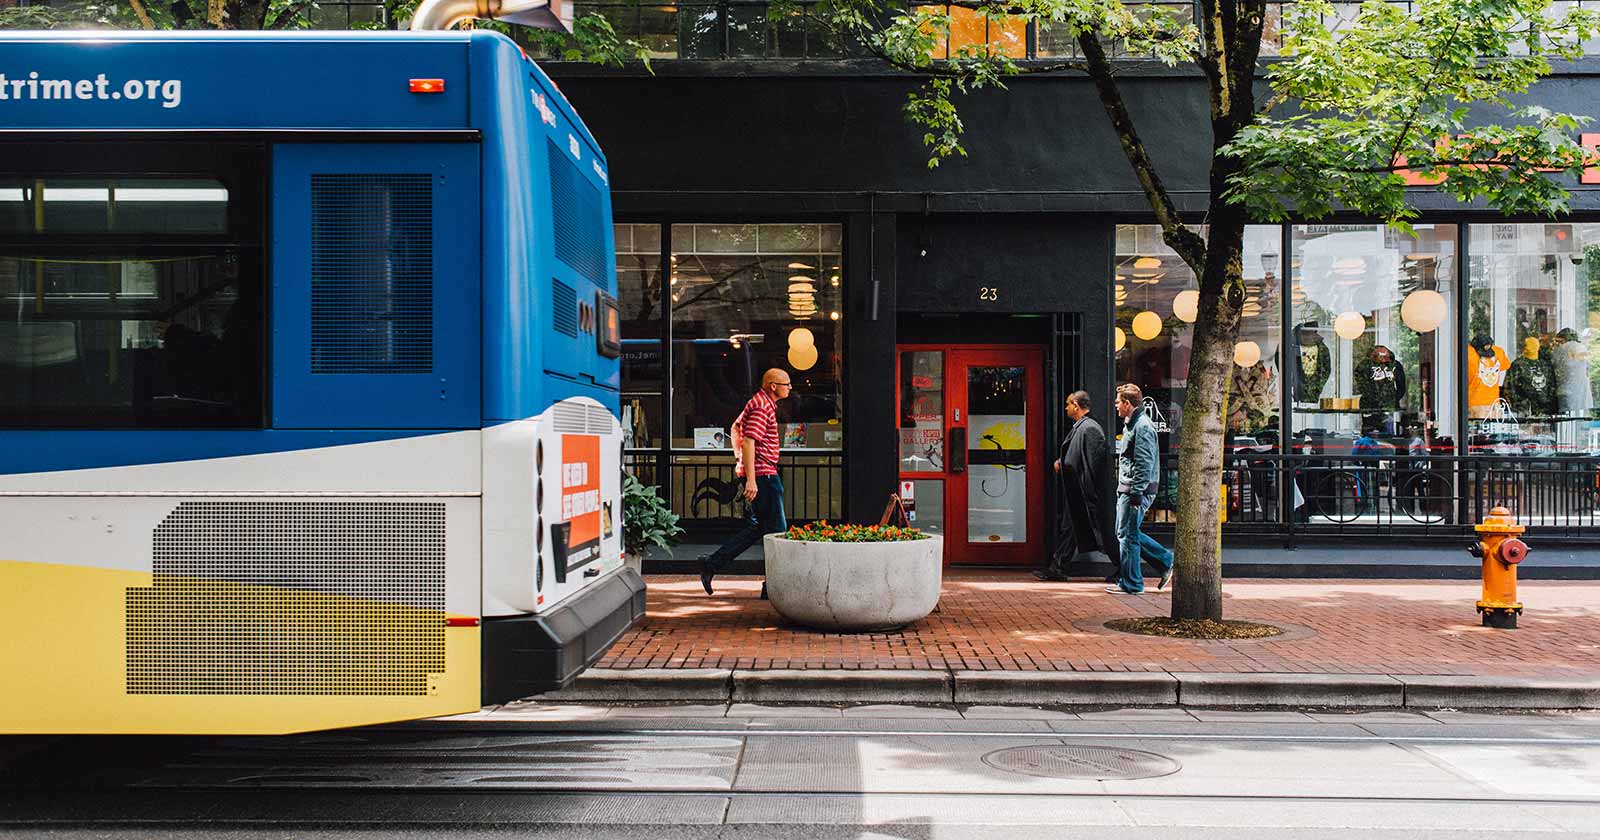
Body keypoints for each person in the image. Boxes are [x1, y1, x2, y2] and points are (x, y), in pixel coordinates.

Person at [700, 368, 793, 596]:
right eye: (786, 383)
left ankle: (712, 564)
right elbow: (749, 440)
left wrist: (739, 461)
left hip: (760, 474)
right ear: (773, 386)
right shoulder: (762, 407)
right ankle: (772, 586)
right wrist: (751, 478)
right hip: (764, 476)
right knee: (778, 534)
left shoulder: (757, 403)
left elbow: (735, 427)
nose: (790, 387)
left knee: (757, 528)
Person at [1107, 384, 1173, 595]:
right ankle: (1165, 561)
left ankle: (1132, 584)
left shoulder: (1142, 426)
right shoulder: (1132, 424)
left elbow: (1144, 462)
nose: (1116, 405)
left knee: (1127, 535)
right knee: (1125, 533)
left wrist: (1136, 491)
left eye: (1118, 402)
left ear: (1127, 403)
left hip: (1135, 490)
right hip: (1130, 489)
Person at [1037, 390, 1108, 581]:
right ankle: (1058, 567)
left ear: (1076, 405)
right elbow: (1076, 453)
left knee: (1103, 533)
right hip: (1077, 490)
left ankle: (1127, 564)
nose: (1066, 408)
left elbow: (1094, 463)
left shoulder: (1090, 428)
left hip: (1084, 491)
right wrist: (1063, 461)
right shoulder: (1081, 427)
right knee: (1071, 529)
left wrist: (1089, 492)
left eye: (1068, 404)